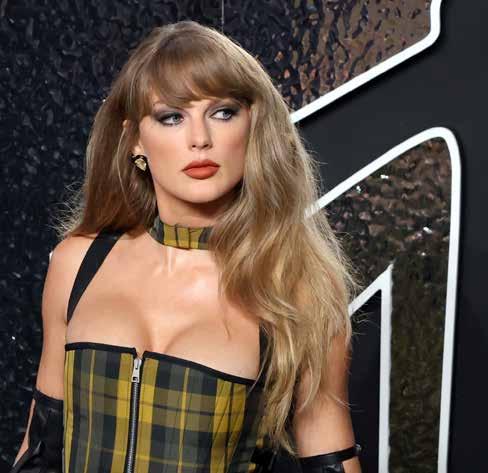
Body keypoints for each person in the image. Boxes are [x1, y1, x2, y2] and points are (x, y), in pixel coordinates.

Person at [10, 20, 362, 473]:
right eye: (172, 117)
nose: (200, 139)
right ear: (135, 140)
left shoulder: (297, 289)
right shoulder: (77, 264)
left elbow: (331, 461)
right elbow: (39, 452)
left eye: (223, 112)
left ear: (253, 127)